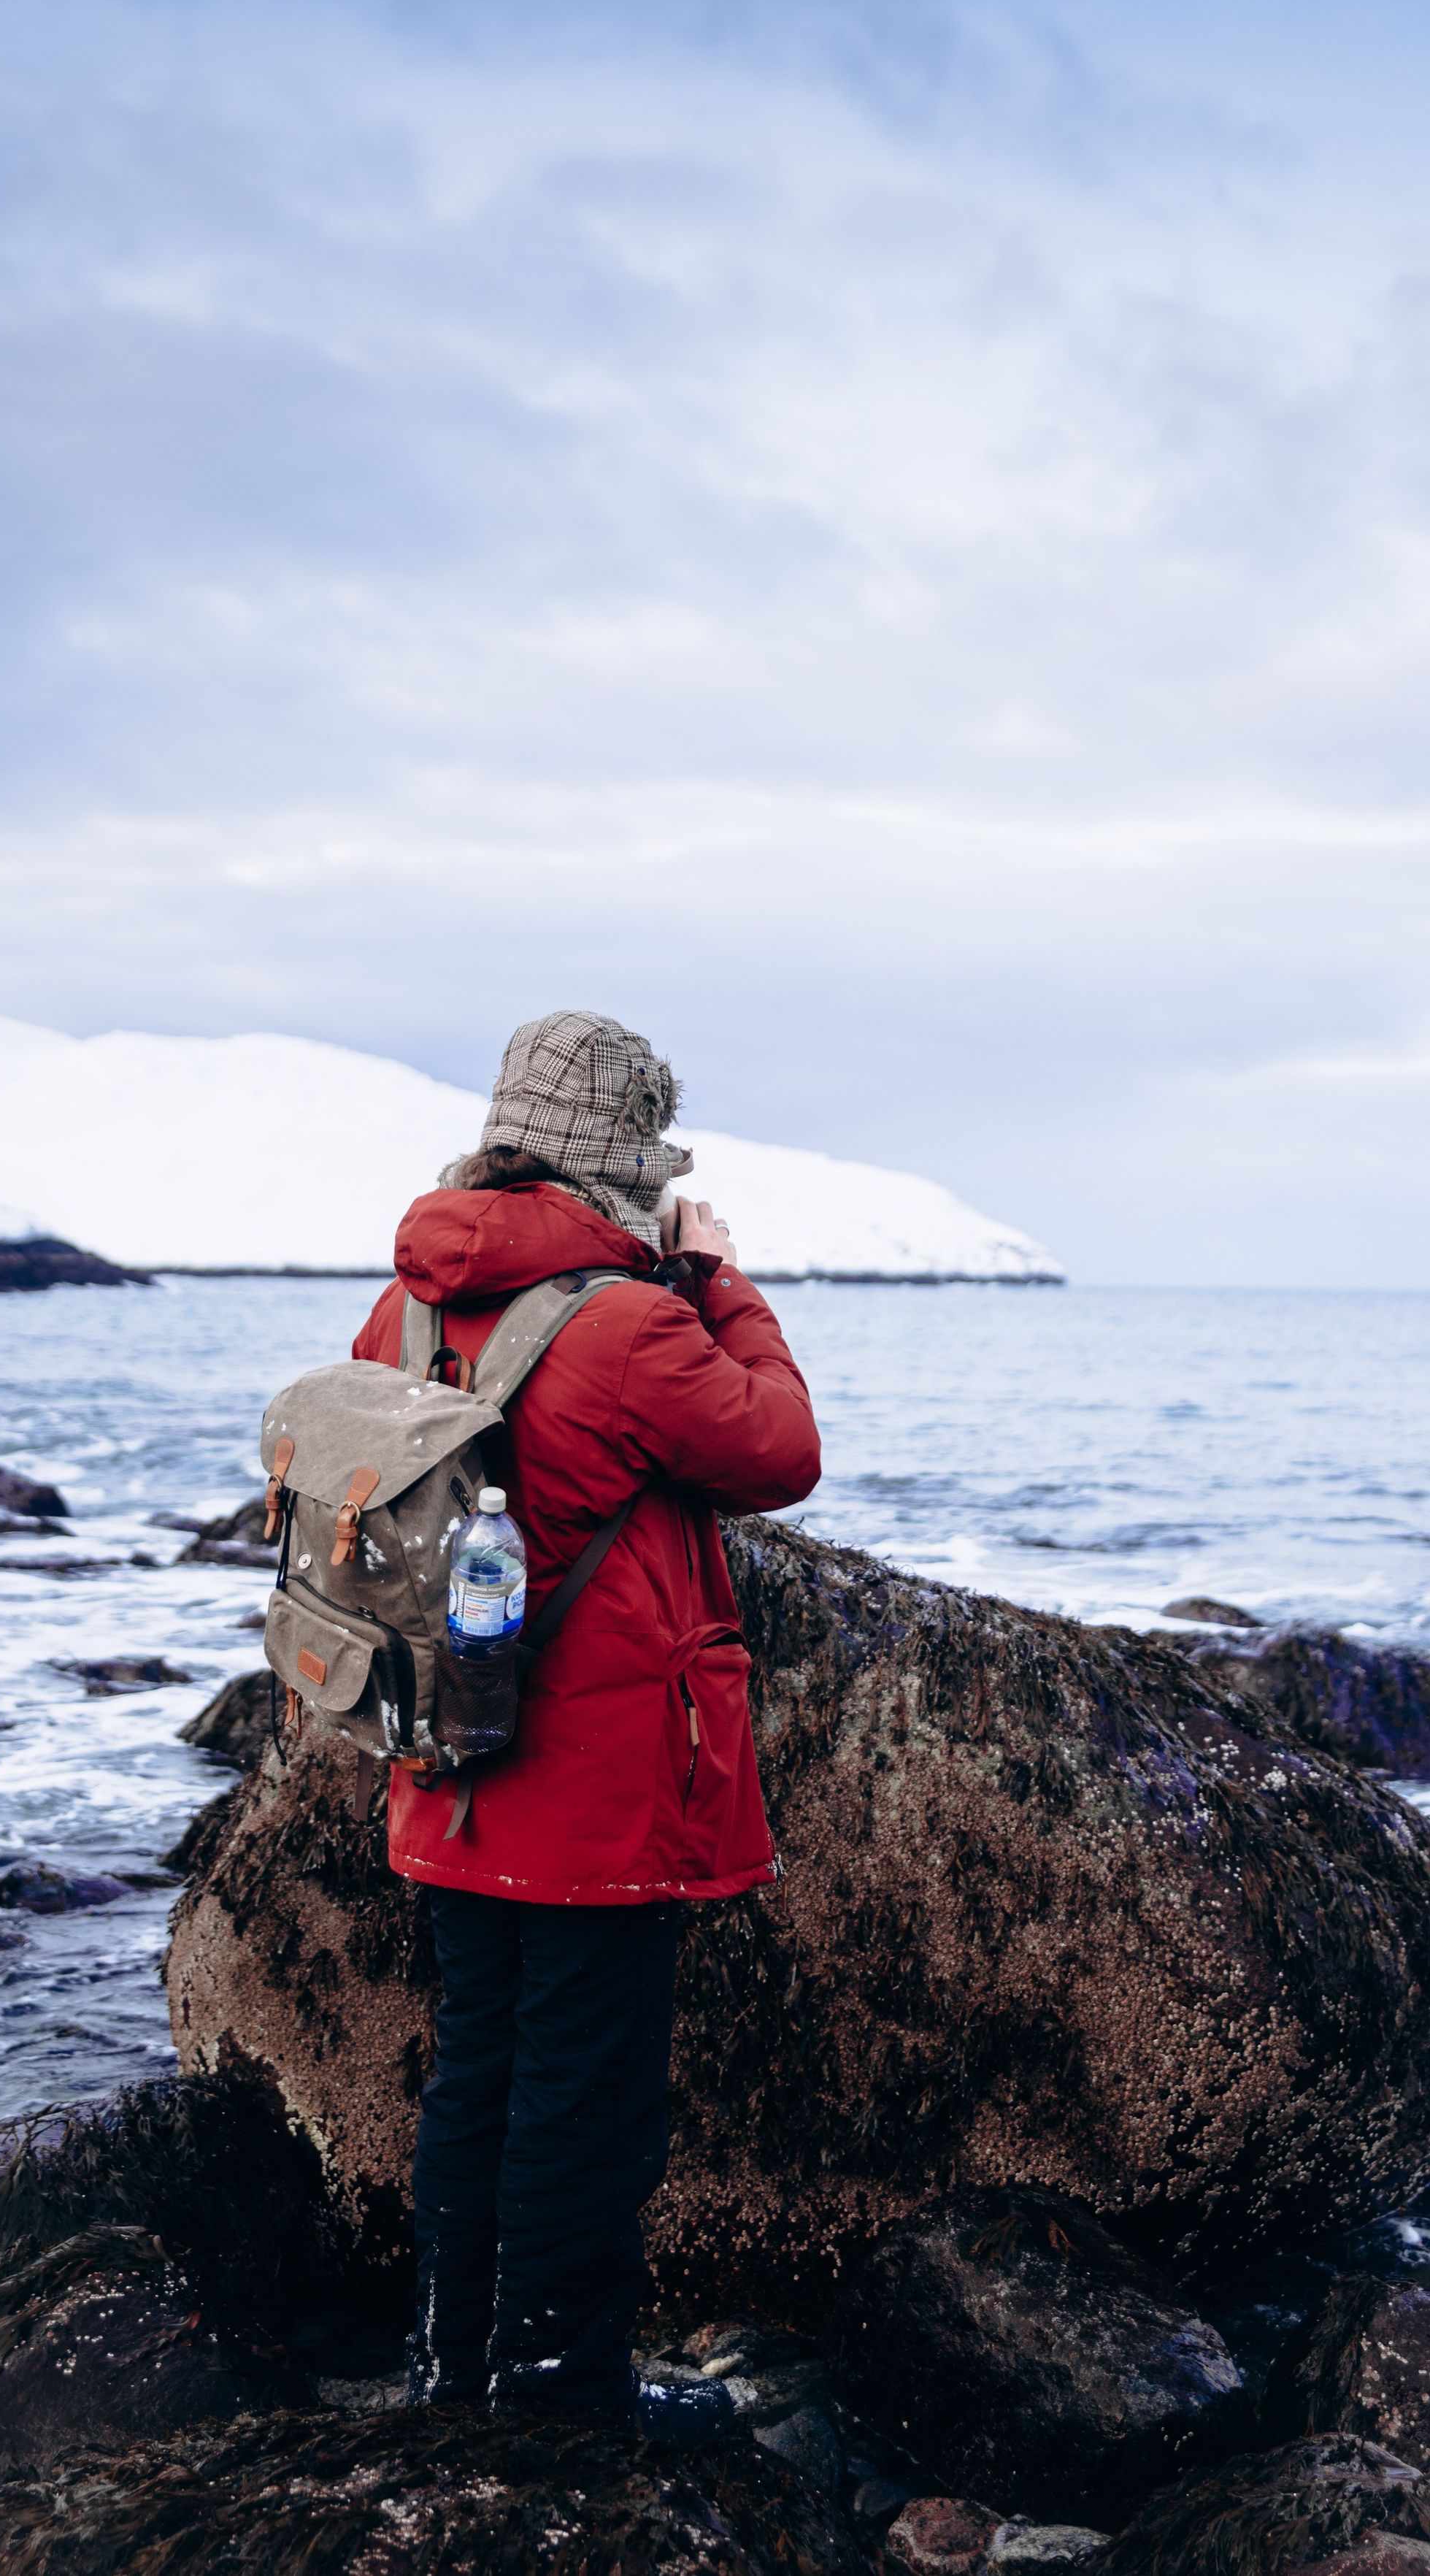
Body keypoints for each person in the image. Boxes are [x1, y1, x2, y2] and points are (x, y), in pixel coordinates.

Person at [350, 1009, 822, 2444]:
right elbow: (781, 1448)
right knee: (586, 2097)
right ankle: (562, 2394)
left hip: (444, 1762)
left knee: (477, 2066)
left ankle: (453, 2363)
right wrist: (722, 1275)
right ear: (623, 1162)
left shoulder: (406, 1309)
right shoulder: (632, 1322)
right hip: (598, 1790)